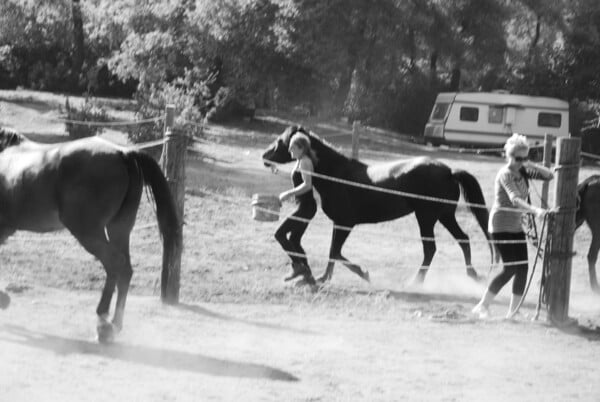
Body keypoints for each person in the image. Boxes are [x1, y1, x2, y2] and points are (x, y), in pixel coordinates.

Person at [472, 133, 554, 319]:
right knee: (509, 268)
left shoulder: (523, 171)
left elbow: (549, 176)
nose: (521, 162)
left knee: (522, 268)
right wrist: (536, 211)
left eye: (524, 158)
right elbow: (515, 199)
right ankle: (482, 306)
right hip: (500, 225)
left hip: (516, 226)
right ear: (509, 156)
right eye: (518, 158)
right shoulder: (506, 174)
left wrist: (530, 164)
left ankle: (513, 312)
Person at [274, 132, 318, 286]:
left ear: (301, 148)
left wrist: (288, 194)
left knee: (279, 234)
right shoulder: (300, 161)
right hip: (304, 206)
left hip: (306, 207)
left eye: (292, 147)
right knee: (294, 239)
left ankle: (298, 267)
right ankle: (309, 277)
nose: (289, 150)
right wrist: (278, 171)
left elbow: (307, 184)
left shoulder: (305, 161)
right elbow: (297, 178)